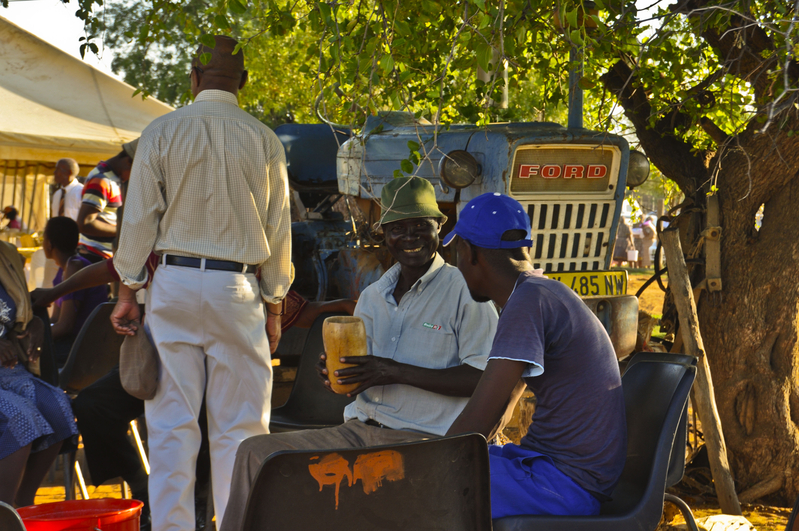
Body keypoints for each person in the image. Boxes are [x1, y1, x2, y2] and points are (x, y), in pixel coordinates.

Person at [220, 176, 500, 531]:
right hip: (356, 432)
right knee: (254, 452)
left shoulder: (465, 292)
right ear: (384, 234)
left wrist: (391, 371)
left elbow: (482, 379)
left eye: (420, 226)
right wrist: (338, 376)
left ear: (440, 229)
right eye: (399, 228)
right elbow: (361, 378)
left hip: (421, 443)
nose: (410, 236)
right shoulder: (373, 296)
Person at [110, 35, 293, 531]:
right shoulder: (264, 140)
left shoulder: (163, 131)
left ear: (192, 77)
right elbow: (279, 232)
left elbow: (138, 220)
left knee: (171, 428)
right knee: (241, 430)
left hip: (173, 284)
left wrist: (128, 292)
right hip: (238, 289)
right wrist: (274, 308)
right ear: (245, 82)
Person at [31, 253, 351, 531]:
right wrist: (55, 291)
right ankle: (139, 484)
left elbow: (297, 309)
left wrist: (338, 306)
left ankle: (198, 507)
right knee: (92, 404)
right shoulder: (168, 244)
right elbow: (113, 267)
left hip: (211, 375)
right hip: (154, 363)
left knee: (201, 424)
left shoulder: (245, 262)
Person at [443, 193, 627, 519]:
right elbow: (504, 402)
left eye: (456, 251)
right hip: (557, 471)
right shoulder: (540, 291)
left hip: (565, 485)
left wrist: (428, 466)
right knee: (451, 466)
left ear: (469, 253)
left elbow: (478, 417)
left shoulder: (528, 302)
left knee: (426, 487)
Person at [0, 240, 78, 507]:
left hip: (8, 369)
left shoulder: (7, 254)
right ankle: (6, 512)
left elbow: (21, 314)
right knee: (21, 417)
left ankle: (24, 506)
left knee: (58, 407)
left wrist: (34, 324)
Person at [42, 217, 108, 365]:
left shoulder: (75, 266)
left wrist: (33, 338)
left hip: (83, 347)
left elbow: (65, 326)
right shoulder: (63, 269)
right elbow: (54, 320)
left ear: (49, 244)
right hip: (73, 342)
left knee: (25, 358)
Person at [76, 139, 137, 263]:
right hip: (95, 256)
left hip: (105, 257)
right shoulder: (102, 180)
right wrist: (125, 232)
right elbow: (85, 223)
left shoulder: (113, 178)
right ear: (128, 162)